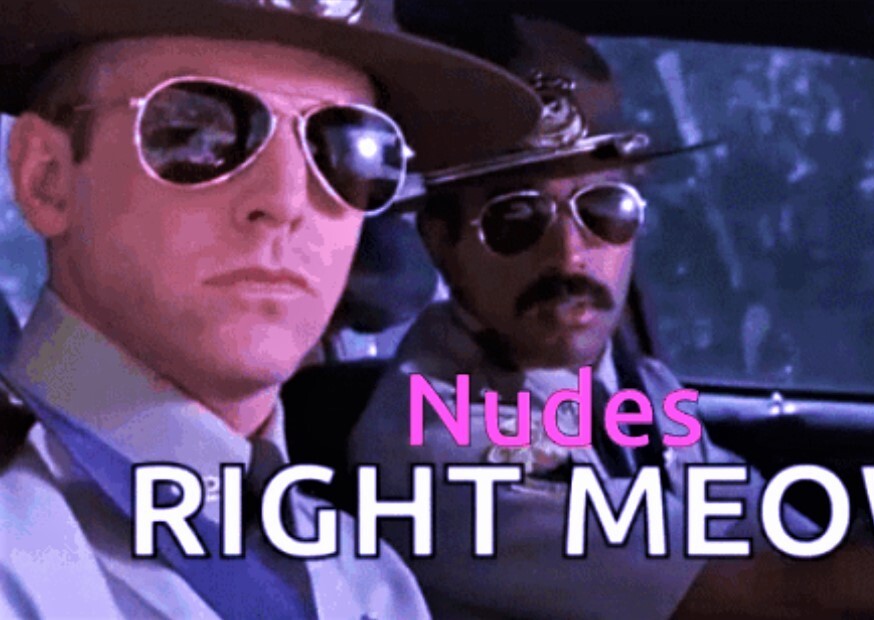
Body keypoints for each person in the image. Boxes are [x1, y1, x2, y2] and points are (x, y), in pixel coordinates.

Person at [345, 17, 874, 620]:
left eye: (606, 207)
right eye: (515, 218)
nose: (570, 253)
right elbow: (824, 587)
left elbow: (792, 536)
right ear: (441, 239)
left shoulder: (621, 385)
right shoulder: (439, 450)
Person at [0, 0, 541, 618]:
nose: (287, 199)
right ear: (47, 177)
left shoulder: (364, 574)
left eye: (349, 151)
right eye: (199, 135)